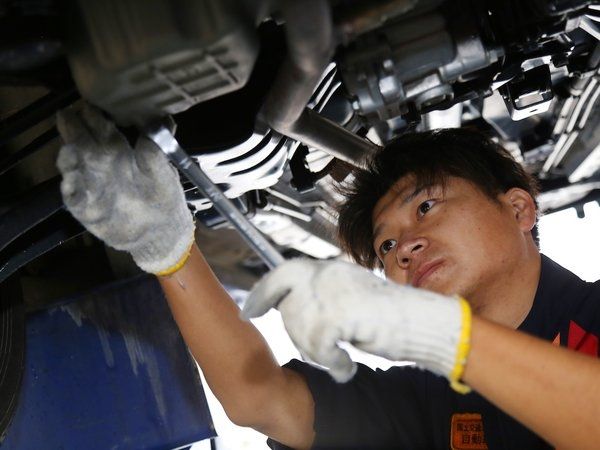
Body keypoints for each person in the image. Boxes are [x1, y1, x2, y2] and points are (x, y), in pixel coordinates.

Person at [56, 104, 600, 450]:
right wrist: (170, 251)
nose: (404, 249)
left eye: (426, 207)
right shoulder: (430, 404)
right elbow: (262, 400)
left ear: (519, 209)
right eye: (386, 246)